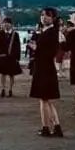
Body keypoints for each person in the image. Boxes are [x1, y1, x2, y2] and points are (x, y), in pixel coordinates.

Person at [30, 8, 64, 138]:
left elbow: (50, 52)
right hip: (43, 67)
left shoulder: (52, 32)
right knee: (47, 100)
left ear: (53, 18)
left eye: (47, 16)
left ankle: (46, 127)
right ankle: (56, 126)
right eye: (42, 15)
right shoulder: (44, 31)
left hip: (45, 68)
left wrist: (36, 48)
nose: (44, 17)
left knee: (44, 99)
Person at [0, 17, 22, 97]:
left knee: (11, 74)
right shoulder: (0, 33)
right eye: (5, 23)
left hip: (12, 57)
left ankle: (10, 89)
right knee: (2, 74)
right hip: (2, 57)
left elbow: (18, 47)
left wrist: (18, 58)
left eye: (8, 23)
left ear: (11, 25)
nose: (6, 25)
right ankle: (3, 89)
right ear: (3, 24)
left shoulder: (15, 34)